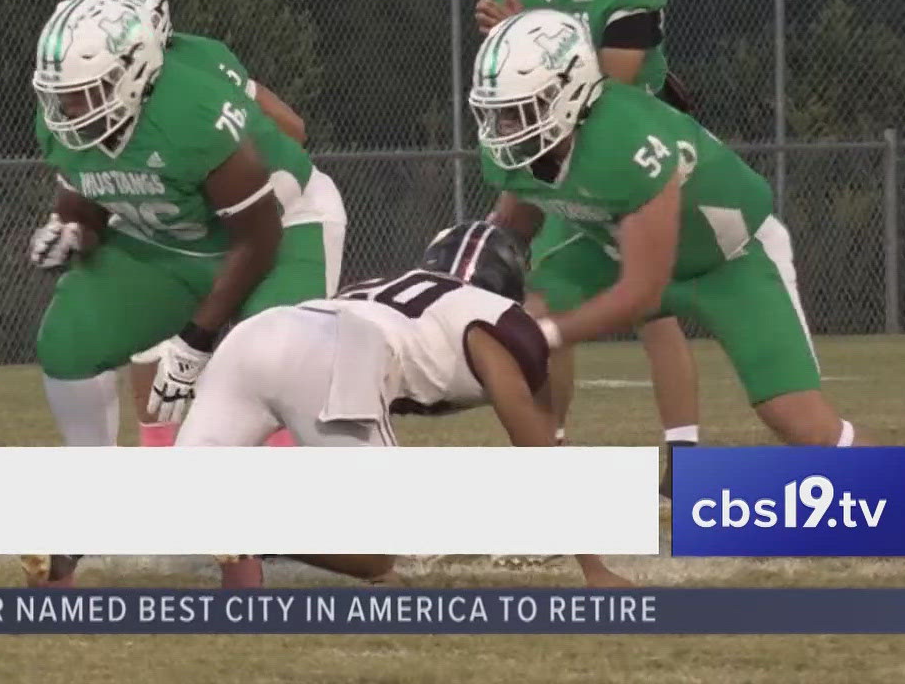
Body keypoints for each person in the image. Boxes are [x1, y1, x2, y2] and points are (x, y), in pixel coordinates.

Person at [22, 0, 346, 587]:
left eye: (86, 91)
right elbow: (86, 199)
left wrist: (195, 344)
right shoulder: (64, 118)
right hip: (173, 242)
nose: (69, 108)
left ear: (137, 73)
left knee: (260, 368)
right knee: (68, 339)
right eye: (60, 92)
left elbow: (258, 238)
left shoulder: (193, 111)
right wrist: (69, 230)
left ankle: (273, 548)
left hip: (281, 230)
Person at [472, 9, 862, 449]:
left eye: (523, 109)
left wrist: (547, 335)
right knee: (535, 306)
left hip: (729, 260)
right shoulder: (514, 148)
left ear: (570, 89)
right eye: (499, 112)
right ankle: (549, 461)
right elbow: (509, 230)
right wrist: (465, 282)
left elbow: (643, 291)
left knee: (801, 424)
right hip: (613, 246)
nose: (507, 127)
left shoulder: (627, 140)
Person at [176, 220, 629, 588]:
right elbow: (534, 447)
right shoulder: (492, 319)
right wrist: (594, 568)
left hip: (260, 331)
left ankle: (235, 556)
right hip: (336, 352)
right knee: (374, 553)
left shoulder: (383, 285)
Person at [473, 0, 701, 485]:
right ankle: (552, 452)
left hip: (637, 152)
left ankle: (683, 455)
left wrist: (530, 36)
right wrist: (510, 42)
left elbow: (616, 79)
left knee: (654, 308)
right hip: (553, 156)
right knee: (543, 303)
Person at [69, 0, 318, 449]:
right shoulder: (83, 84)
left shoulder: (197, 64)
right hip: (163, 216)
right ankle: (162, 450)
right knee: (149, 342)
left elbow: (290, 130)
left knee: (265, 352)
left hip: (226, 215)